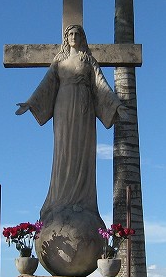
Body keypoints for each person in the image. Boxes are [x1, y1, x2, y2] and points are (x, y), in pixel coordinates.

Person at [16, 24, 123, 228]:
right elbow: (47, 84)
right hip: (63, 106)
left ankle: (83, 201)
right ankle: (59, 200)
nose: (73, 36)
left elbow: (101, 85)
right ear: (66, 38)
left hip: (84, 108)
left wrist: (116, 105)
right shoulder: (59, 60)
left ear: (82, 37)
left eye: (77, 34)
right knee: (64, 150)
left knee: (82, 150)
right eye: (70, 34)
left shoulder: (88, 60)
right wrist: (30, 103)